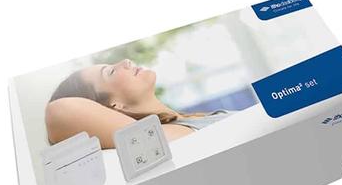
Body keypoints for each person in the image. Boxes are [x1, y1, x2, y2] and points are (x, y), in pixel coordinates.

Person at [46, 59, 232, 148]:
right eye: (111, 72)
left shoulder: (192, 120)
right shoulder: (163, 139)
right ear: (115, 106)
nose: (125, 62)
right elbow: (60, 111)